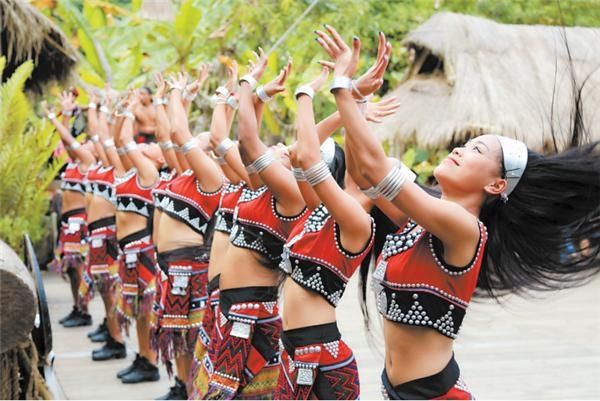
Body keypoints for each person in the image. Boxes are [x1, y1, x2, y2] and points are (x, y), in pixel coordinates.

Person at [315, 26, 600, 399]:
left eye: (477, 151)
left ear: (496, 185)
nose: (462, 150)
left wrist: (345, 88)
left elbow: (375, 170)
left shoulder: (463, 228)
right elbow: (361, 173)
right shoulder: (418, 223)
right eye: (467, 144)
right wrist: (353, 99)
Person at [112, 90, 164, 384]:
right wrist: (122, 111)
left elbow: (127, 143)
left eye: (155, 148)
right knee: (137, 311)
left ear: (160, 159)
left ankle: (150, 361)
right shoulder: (129, 173)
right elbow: (119, 141)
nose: (149, 148)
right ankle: (143, 356)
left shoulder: (149, 175)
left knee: (145, 310)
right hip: (128, 251)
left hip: (142, 248)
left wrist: (130, 111)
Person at [44, 93, 96, 328]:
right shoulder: (74, 163)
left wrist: (54, 118)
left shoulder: (89, 161)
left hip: (79, 220)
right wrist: (64, 114)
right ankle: (77, 306)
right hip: (68, 222)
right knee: (72, 269)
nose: (83, 142)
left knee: (79, 268)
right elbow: (63, 141)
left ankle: (84, 309)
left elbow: (67, 138)